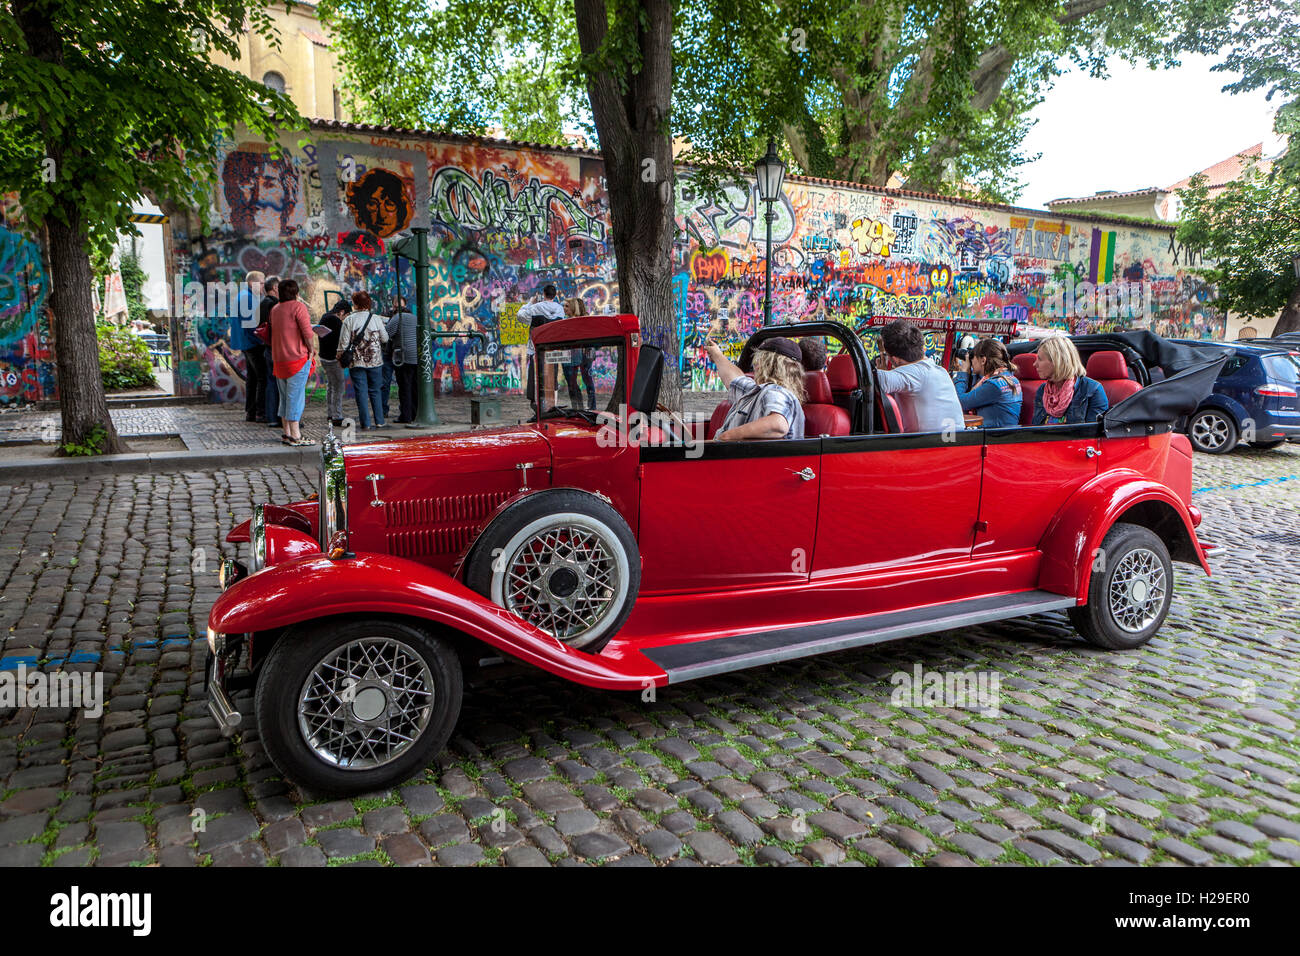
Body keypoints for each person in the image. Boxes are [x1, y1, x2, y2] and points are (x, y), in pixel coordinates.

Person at [704, 336, 806, 440]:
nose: (755, 365)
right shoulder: (756, 392)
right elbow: (735, 379)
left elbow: (778, 425)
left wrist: (726, 436)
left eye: (758, 360)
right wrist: (717, 355)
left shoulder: (776, 392)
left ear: (765, 364)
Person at [874, 319, 964, 433]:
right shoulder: (940, 371)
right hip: (952, 442)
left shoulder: (913, 374)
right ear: (922, 348)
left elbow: (868, 379)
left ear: (894, 359)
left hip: (930, 446)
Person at [268, 279, 318, 446]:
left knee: (284, 397)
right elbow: (307, 332)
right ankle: (296, 436)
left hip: (279, 358)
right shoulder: (298, 307)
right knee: (296, 397)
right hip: (296, 358)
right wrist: (311, 350)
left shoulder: (275, 309)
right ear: (296, 293)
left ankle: (287, 433)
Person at [338, 291, 390, 429]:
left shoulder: (349, 320)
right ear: (368, 303)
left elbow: (343, 343)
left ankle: (365, 423)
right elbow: (385, 338)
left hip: (356, 361)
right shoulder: (376, 319)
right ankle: (379, 421)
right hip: (375, 361)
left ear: (355, 304)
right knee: (375, 390)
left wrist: (340, 357)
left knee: (361, 392)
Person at [1032, 334, 1109, 425]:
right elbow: (1035, 429)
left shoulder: (1092, 390)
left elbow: (1091, 434)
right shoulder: (1043, 390)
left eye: (1040, 359)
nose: (1035, 364)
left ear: (1057, 361)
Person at [952, 337, 1022, 428]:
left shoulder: (994, 385)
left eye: (973, 358)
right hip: (1002, 435)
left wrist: (963, 372)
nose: (971, 361)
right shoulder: (1010, 379)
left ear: (983, 360)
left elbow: (960, 402)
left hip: (995, 438)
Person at [518, 284, 565, 410]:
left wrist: (529, 303)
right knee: (552, 377)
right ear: (555, 295)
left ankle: (537, 405)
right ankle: (552, 404)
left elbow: (520, 316)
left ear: (543, 294)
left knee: (536, 378)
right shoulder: (560, 309)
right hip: (553, 349)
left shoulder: (536, 307)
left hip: (536, 349)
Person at [234, 271, 266, 422]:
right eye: (261, 282)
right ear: (252, 283)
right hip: (253, 343)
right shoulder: (248, 298)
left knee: (252, 378)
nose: (263, 286)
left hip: (246, 343)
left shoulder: (243, 296)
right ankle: (260, 412)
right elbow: (250, 325)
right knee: (262, 377)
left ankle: (251, 412)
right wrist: (261, 340)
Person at [386, 296, 419, 423]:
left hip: (404, 357)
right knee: (415, 388)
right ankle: (415, 414)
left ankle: (406, 416)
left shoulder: (397, 318)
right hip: (418, 357)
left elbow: (386, 334)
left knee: (405, 388)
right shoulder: (415, 318)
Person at [560, 297, 595, 409]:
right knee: (572, 383)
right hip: (571, 355)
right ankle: (578, 408)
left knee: (587, 380)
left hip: (583, 354)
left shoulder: (583, 320)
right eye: (564, 306)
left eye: (567, 306)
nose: (564, 308)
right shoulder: (564, 321)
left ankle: (591, 407)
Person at [318, 299, 348, 426]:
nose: (345, 318)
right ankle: (337, 416)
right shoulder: (336, 321)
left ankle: (330, 414)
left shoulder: (324, 317)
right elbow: (342, 341)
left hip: (323, 357)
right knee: (339, 386)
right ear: (341, 312)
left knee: (331, 385)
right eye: (346, 315)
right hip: (334, 358)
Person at [258, 275, 282, 428]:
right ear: (275, 288)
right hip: (276, 348)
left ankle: (271, 417)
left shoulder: (262, 303)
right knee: (278, 384)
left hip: (267, 347)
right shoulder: (274, 304)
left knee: (270, 383)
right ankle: (279, 417)